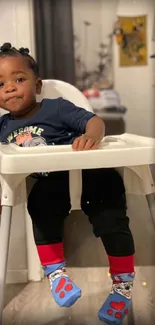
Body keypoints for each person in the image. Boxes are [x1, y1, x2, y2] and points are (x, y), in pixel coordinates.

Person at [0, 43, 135, 325]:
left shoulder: (56, 108)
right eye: (1, 84)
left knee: (110, 205)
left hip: (88, 177)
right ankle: (56, 275)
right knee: (41, 205)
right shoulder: (2, 127)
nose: (9, 88)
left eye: (19, 79)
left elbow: (94, 121)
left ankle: (122, 285)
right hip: (48, 186)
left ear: (37, 85)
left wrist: (92, 137)